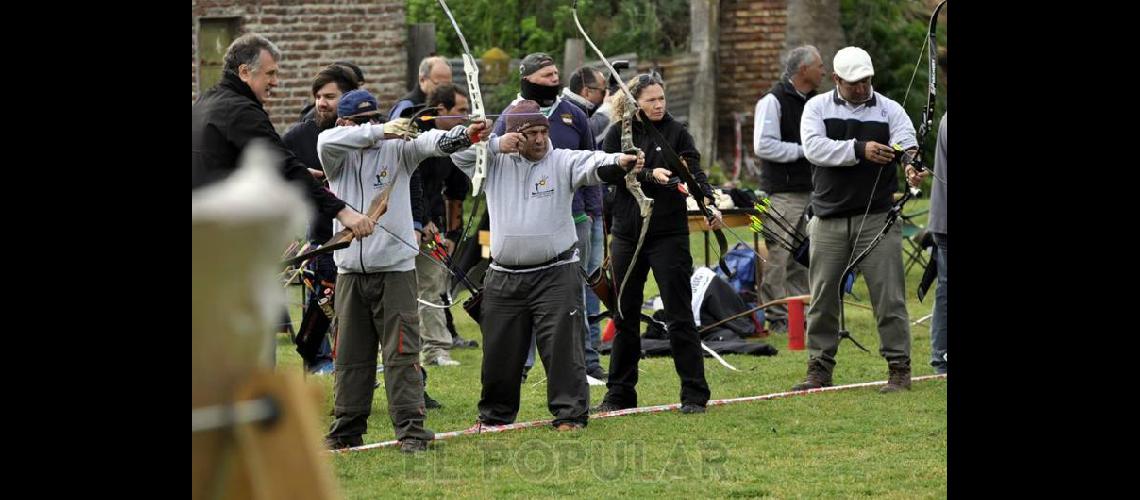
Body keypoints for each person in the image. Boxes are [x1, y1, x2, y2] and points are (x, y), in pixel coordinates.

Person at [451, 100, 642, 431]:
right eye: (531, 133)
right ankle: (494, 416)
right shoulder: (493, 161)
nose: (540, 139)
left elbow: (594, 163)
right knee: (499, 353)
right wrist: (495, 144)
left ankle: (570, 414)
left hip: (556, 273)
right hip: (503, 275)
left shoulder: (560, 160)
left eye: (543, 131)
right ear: (513, 136)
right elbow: (458, 153)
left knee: (563, 348)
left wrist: (621, 161)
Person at [317, 89, 487, 452]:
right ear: (345, 123)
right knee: (349, 356)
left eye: (374, 119)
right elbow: (327, 137)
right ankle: (347, 428)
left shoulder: (399, 149)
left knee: (401, 352)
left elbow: (433, 142)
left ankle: (411, 430)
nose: (370, 126)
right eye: (360, 122)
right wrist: (378, 131)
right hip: (350, 272)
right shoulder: (334, 151)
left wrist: (466, 134)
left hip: (394, 270)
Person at [593, 74, 721, 415]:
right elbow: (605, 173)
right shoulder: (616, 133)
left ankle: (694, 393)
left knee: (679, 316)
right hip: (627, 234)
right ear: (635, 102)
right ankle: (619, 393)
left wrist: (707, 201)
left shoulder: (676, 131)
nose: (659, 104)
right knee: (625, 316)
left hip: (668, 234)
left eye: (661, 98)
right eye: (651, 100)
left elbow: (692, 170)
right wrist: (643, 173)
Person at [794, 46, 918, 393]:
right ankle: (819, 368)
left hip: (878, 218)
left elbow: (906, 141)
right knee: (822, 297)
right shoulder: (816, 107)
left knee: (889, 297)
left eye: (866, 81)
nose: (862, 89)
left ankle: (899, 368)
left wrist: (910, 162)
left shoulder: (889, 108)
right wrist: (859, 149)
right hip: (828, 217)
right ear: (836, 80)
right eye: (854, 84)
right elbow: (813, 148)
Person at [192, 34, 374, 239]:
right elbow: (283, 165)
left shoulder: (204, 102)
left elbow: (224, 164)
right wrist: (343, 212)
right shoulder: (241, 111)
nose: (275, 82)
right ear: (244, 72)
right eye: (270, 73)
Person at [490, 53, 597, 382]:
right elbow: (483, 158)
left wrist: (594, 214)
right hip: (529, 224)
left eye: (556, 73)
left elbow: (591, 160)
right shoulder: (509, 116)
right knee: (527, 301)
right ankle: (521, 364)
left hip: (575, 217)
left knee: (575, 295)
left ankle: (587, 362)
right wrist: (495, 143)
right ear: (528, 79)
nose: (555, 79)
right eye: (547, 75)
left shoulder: (573, 114)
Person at [282, 64, 362, 374]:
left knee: (355, 317)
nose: (321, 103)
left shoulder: (370, 131)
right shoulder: (300, 135)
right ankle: (321, 367)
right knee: (321, 314)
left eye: (329, 96)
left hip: (363, 237)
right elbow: (279, 175)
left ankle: (353, 371)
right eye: (318, 96)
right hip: (321, 240)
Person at [752, 45, 825, 333]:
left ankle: (801, 314)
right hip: (781, 193)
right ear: (803, 69)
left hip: (810, 190)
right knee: (779, 256)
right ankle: (777, 317)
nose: (823, 70)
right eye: (819, 65)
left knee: (804, 256)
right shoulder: (772, 101)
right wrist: (805, 150)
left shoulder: (815, 102)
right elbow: (763, 145)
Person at [414, 83, 474, 367]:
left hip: (433, 226)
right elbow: (410, 185)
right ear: (440, 110)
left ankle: (436, 350)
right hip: (405, 223)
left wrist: (453, 232)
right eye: (460, 111)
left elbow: (456, 189)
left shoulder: (453, 142)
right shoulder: (415, 135)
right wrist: (421, 220)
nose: (466, 117)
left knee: (432, 283)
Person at [560, 65, 611, 381]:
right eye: (600, 90)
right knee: (577, 286)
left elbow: (593, 164)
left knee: (593, 282)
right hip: (574, 213)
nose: (603, 96)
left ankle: (591, 355)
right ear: (586, 89)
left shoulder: (581, 115)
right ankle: (584, 358)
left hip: (589, 210)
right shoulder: (573, 113)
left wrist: (597, 210)